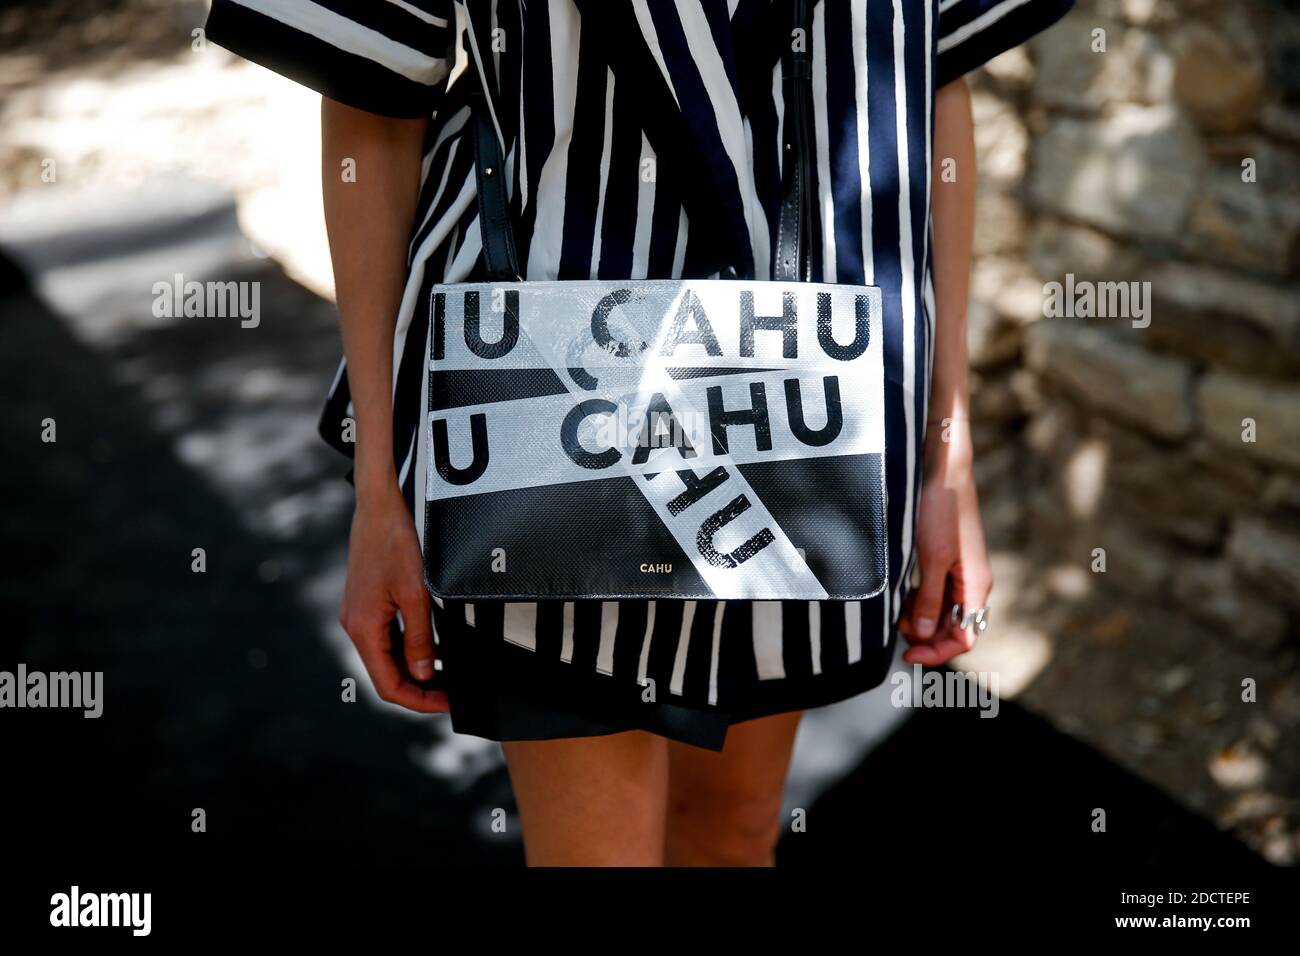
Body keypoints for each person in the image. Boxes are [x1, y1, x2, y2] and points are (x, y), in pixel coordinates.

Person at [204, 0, 1074, 866]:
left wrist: (944, 456)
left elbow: (929, 84)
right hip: (536, 415)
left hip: (806, 417)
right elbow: (371, 101)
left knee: (733, 843)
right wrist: (382, 492)